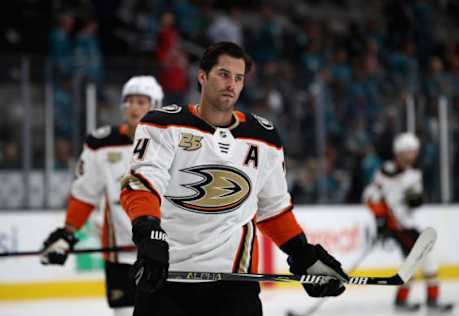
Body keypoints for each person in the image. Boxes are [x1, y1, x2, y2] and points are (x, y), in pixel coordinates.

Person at [120, 41, 349, 316]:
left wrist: (303, 254)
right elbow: (142, 185)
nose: (232, 84)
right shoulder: (163, 124)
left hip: (234, 283)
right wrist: (149, 233)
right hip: (166, 275)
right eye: (224, 74)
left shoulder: (263, 137)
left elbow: (273, 209)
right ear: (202, 76)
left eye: (239, 78)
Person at [41, 76, 164, 316]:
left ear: (156, 105)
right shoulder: (101, 144)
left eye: (141, 101)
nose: (134, 107)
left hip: (162, 251)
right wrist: (67, 233)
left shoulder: (171, 143)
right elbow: (84, 195)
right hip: (119, 254)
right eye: (129, 101)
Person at [363, 132, 453, 312]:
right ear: (400, 152)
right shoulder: (385, 171)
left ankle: (413, 300)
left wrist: (416, 199)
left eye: (414, 151)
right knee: (419, 260)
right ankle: (419, 300)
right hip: (396, 225)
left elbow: (415, 203)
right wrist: (381, 219)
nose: (413, 155)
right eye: (409, 151)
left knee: (421, 260)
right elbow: (369, 197)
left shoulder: (414, 174)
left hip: (408, 225)